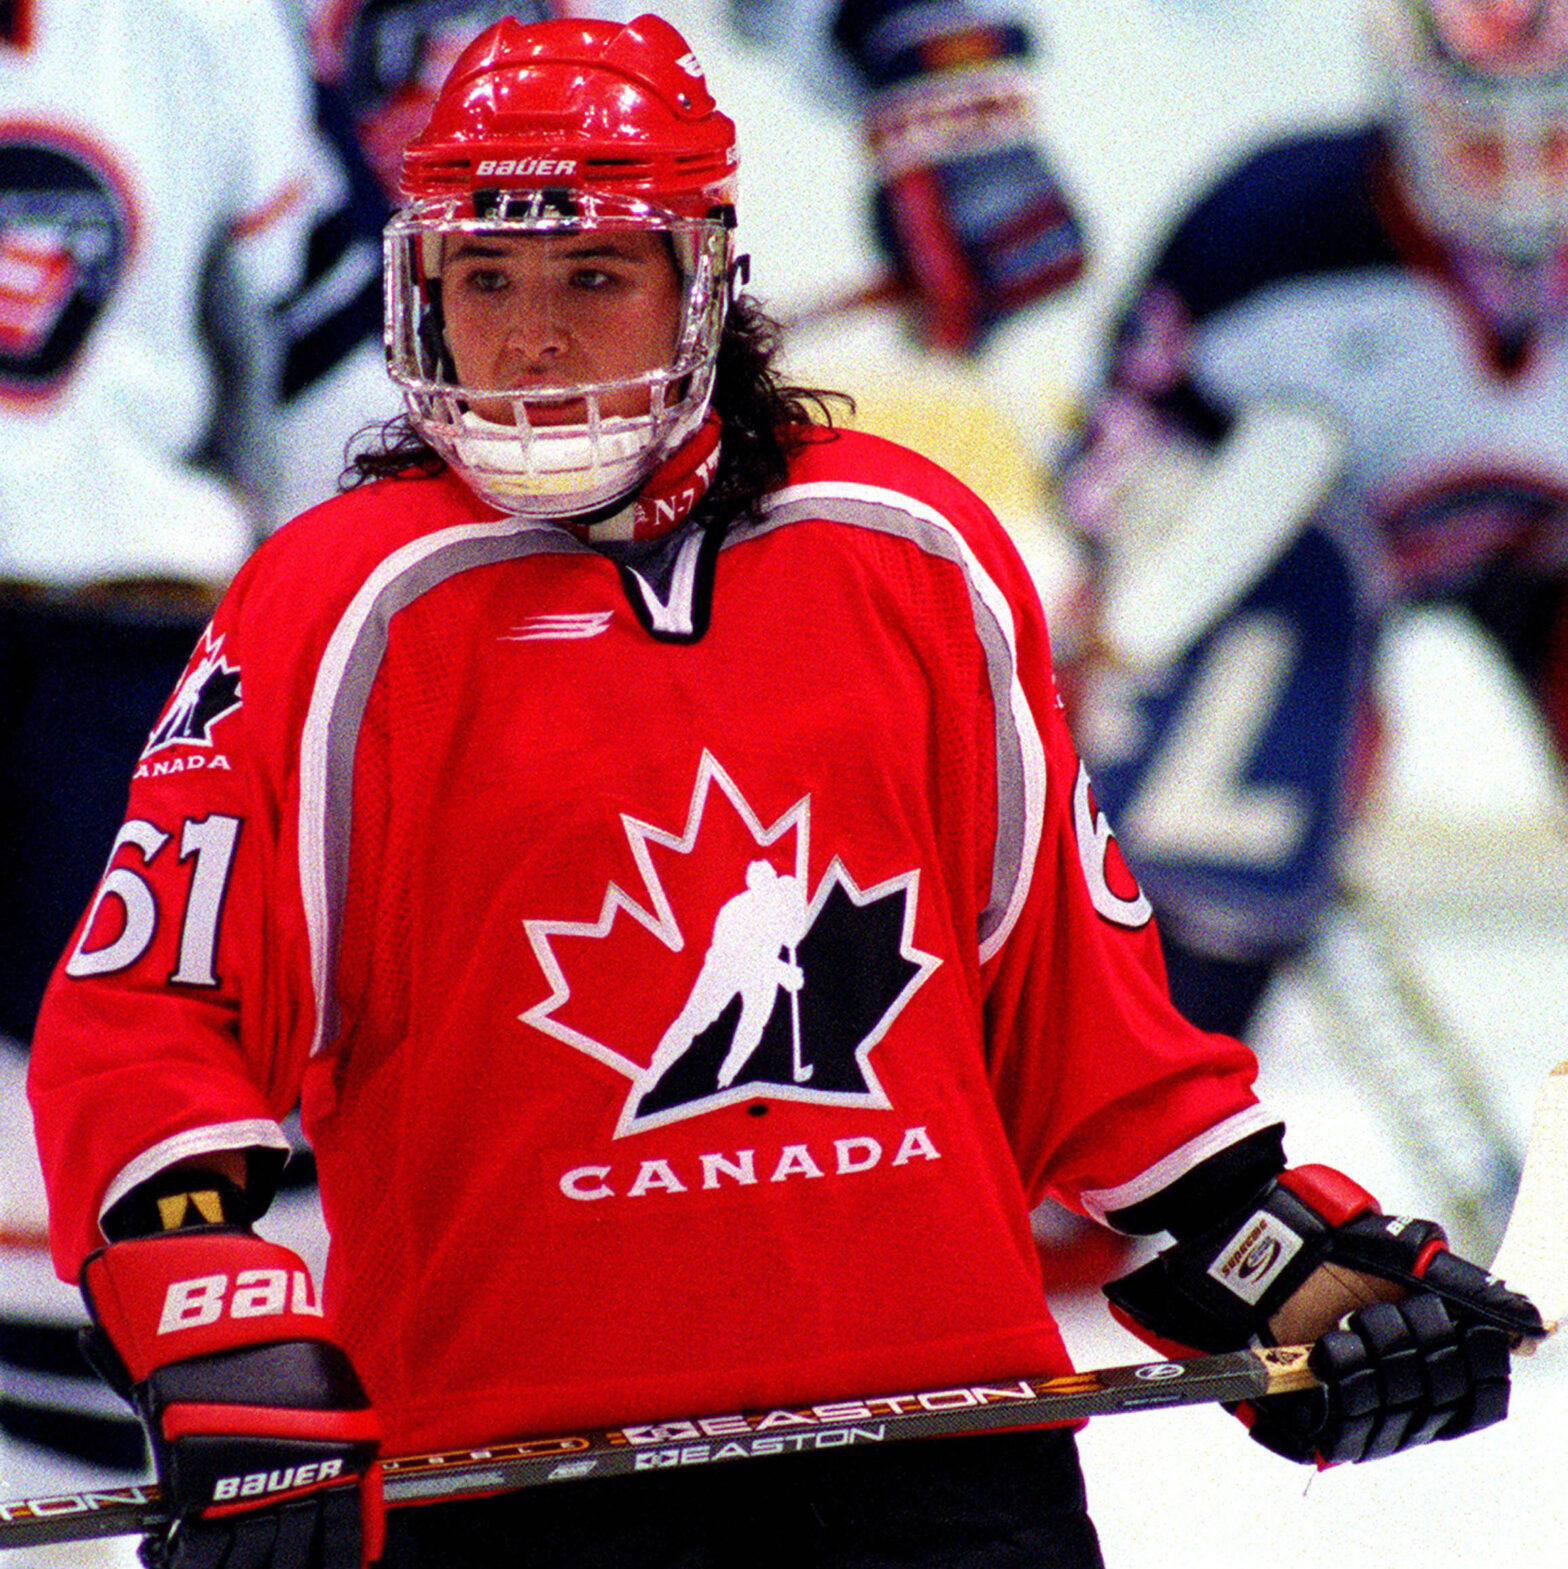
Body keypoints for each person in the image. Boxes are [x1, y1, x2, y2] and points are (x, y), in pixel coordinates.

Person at [26, 13, 1544, 1569]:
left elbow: (1091, 1042)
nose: (531, 338)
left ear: (706, 279)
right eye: (486, 281)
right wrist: (223, 1338)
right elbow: (150, 1016)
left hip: (946, 1472)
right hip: (515, 1493)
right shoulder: (336, 601)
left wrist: (1308, 1278)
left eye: (593, 276)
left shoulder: (911, 552)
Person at [1054, 0, 1568, 1041]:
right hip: (1315, 576)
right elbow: (1107, 468)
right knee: (1242, 665)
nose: (1519, 173)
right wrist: (1142, 574)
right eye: (1479, 134)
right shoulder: (1267, 229)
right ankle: (1150, 1088)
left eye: (1556, 135)